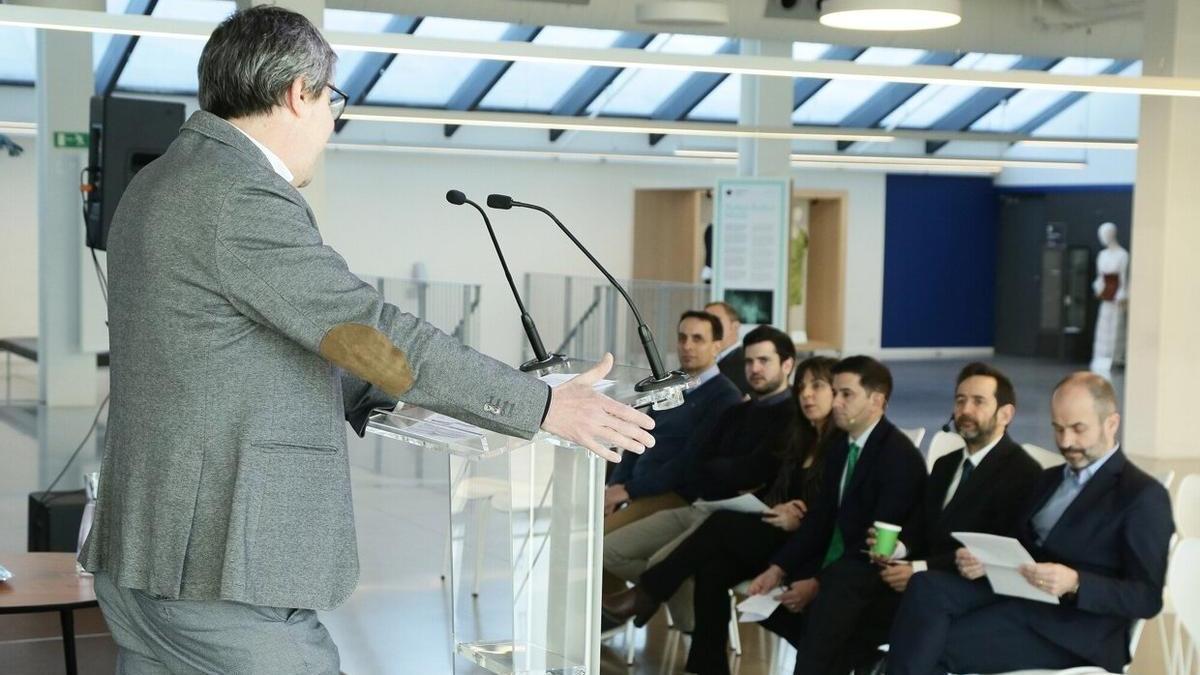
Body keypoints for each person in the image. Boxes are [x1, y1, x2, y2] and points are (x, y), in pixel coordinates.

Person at [78, 7, 655, 674]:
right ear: (299, 92)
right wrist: (545, 405)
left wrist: (384, 396)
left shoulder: (157, 183)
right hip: (221, 574)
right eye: (331, 101)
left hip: (146, 553)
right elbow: (366, 331)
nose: (330, 123)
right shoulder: (241, 197)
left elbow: (237, 340)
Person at [887, 372, 1175, 675]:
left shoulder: (1141, 495)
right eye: (1058, 429)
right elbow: (1021, 543)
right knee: (925, 586)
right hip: (1022, 594)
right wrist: (987, 560)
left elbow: (1146, 597)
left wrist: (1076, 582)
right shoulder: (1049, 479)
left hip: (1076, 628)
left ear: (1111, 424)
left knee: (934, 642)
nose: (1066, 442)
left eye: (1078, 429)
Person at [601, 356, 837, 664]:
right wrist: (779, 507)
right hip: (776, 525)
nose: (807, 394)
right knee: (713, 568)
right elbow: (731, 471)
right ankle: (706, 666)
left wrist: (797, 517)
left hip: (803, 541)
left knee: (722, 524)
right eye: (802, 386)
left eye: (817, 386)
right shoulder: (799, 436)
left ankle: (646, 594)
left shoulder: (839, 445)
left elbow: (832, 510)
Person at [749, 355, 926, 675]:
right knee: (775, 600)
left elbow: (876, 542)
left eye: (847, 394)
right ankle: (860, 660)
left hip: (872, 566)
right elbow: (820, 518)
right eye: (836, 392)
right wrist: (778, 568)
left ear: (877, 401)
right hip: (842, 559)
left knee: (826, 605)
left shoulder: (899, 457)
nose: (837, 402)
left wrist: (816, 582)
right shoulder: (843, 447)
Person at [856, 362, 1042, 665]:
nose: (965, 410)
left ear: (1006, 414)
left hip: (969, 584)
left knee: (876, 609)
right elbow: (923, 524)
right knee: (847, 586)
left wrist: (918, 569)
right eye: (960, 400)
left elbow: (991, 550)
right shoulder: (947, 464)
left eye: (978, 401)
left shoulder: (1022, 473)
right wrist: (898, 547)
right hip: (928, 576)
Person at [603, 311, 742, 536]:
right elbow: (638, 437)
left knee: (602, 545)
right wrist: (615, 487)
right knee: (589, 539)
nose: (687, 346)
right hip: (635, 489)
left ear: (717, 346)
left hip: (672, 494)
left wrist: (628, 490)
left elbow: (688, 462)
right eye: (682, 338)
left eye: (697, 339)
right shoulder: (670, 387)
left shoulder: (725, 397)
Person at [704, 301, 749, 395]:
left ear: (735, 326)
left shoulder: (747, 362)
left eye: (715, 320)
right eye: (704, 321)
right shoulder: (701, 360)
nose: (708, 326)